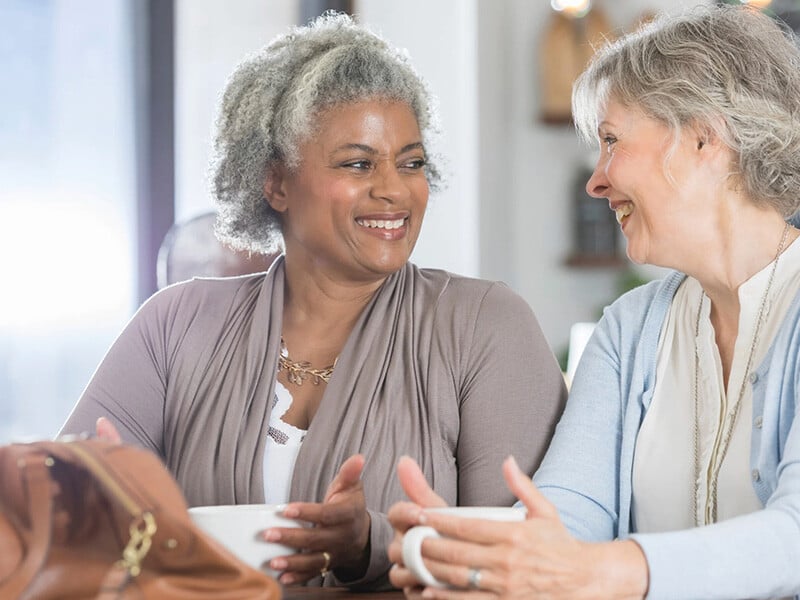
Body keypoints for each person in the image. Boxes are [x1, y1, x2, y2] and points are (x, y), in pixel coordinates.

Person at [59, 12, 567, 591]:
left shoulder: (485, 327)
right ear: (274, 182)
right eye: (358, 163)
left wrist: (368, 546)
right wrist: (89, 505)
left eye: (412, 162)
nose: (394, 189)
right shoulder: (175, 324)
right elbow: (56, 515)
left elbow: (529, 565)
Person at [387, 5, 800, 599]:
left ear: (706, 138)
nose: (595, 180)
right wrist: (470, 560)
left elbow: (791, 538)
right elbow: (566, 522)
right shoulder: (629, 329)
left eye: (611, 141)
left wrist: (600, 572)